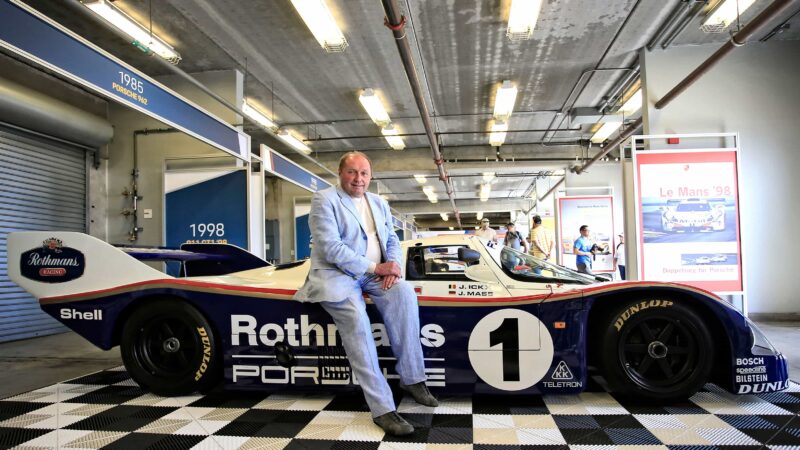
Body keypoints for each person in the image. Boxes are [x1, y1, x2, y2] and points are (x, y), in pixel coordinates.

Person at [293, 151, 437, 436]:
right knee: (358, 323)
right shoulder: (325, 200)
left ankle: (412, 378)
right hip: (339, 276)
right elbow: (331, 249)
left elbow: (393, 238)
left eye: (364, 173)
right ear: (340, 173)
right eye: (352, 172)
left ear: (370, 177)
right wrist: (376, 266)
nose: (358, 179)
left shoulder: (378, 202)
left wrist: (393, 268)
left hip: (376, 275)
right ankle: (383, 408)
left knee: (405, 294)